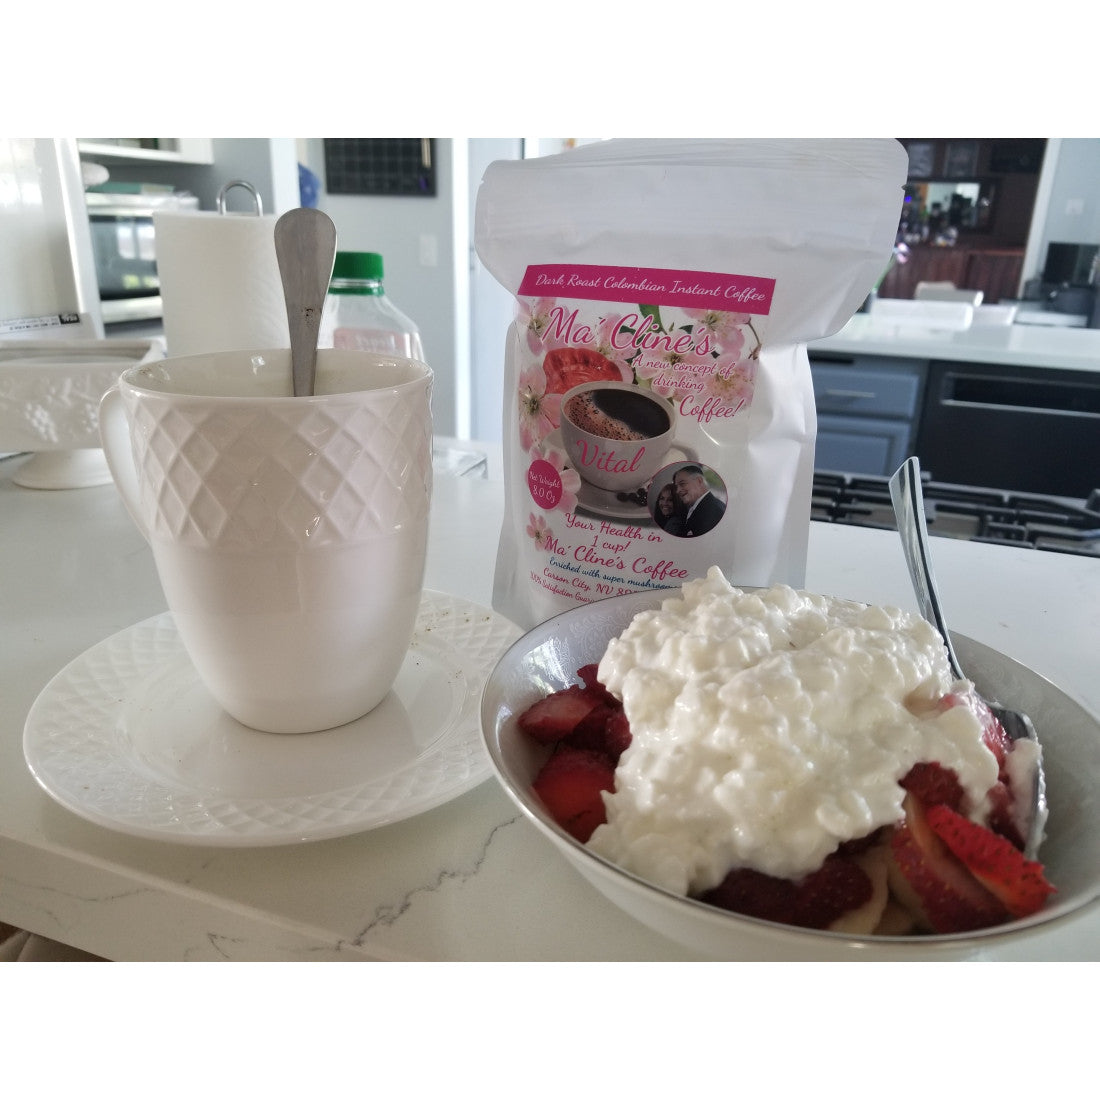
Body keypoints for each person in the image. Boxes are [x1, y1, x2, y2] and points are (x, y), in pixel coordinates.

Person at [673, 464, 725, 537]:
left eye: (682, 484)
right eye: (676, 486)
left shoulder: (715, 511)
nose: (677, 491)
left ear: (699, 481)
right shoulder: (694, 508)